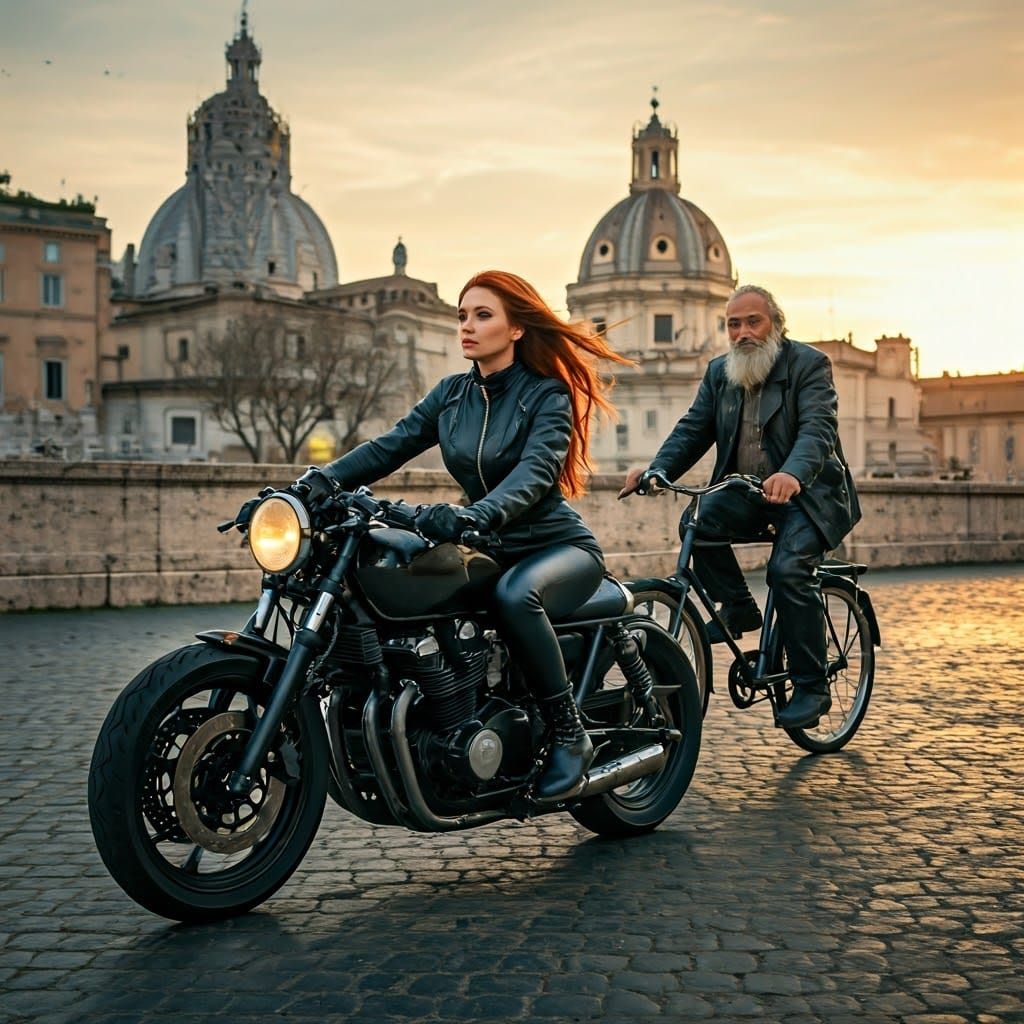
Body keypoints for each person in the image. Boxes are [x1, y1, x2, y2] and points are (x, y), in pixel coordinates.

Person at [323, 270, 630, 798]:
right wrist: (311, 483)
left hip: (554, 547)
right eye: (462, 315)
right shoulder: (452, 395)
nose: (467, 326)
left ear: (516, 329)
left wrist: (477, 514)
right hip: (486, 543)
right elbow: (389, 446)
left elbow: (535, 474)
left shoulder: (546, 395)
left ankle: (569, 733)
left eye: (482, 315)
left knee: (517, 596)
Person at [620, 284, 861, 729]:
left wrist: (792, 474)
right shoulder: (720, 372)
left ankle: (812, 685)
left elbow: (817, 431)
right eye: (734, 324)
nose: (743, 332)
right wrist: (657, 470)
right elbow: (693, 428)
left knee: (788, 572)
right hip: (748, 494)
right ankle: (738, 610)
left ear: (775, 324)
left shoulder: (808, 365)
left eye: (753, 321)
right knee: (698, 522)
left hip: (810, 496)